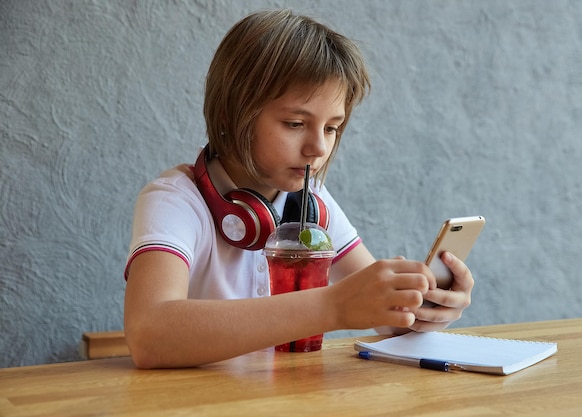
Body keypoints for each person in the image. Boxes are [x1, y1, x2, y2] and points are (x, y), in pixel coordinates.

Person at [124, 9, 474, 369]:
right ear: (231, 114)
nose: (318, 148)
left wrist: (420, 308)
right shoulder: (176, 200)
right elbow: (149, 334)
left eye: (331, 128)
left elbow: (383, 316)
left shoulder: (312, 202)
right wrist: (332, 307)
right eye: (295, 123)